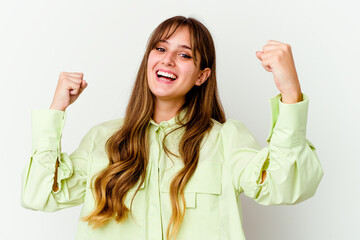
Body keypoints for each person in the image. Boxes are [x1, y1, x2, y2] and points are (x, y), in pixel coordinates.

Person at [21, 15, 324, 240]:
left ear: (202, 76)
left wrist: (290, 92)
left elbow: (286, 186)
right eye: (160, 49)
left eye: (184, 55)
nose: (168, 61)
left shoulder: (226, 140)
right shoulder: (104, 140)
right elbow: (40, 194)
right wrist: (56, 109)